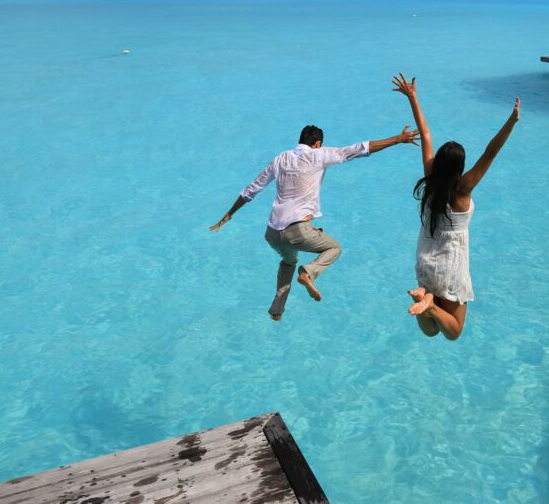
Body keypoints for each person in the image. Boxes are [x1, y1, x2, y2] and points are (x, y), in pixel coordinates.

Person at [210, 123, 419, 320]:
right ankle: (308, 273)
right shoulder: (320, 155)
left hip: (272, 234)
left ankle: (277, 309)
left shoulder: (280, 158)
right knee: (334, 248)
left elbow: (251, 190)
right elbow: (360, 149)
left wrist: (227, 216)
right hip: (298, 231)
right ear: (318, 143)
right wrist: (398, 139)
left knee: (288, 261)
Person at [391, 73, 520, 340]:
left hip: (426, 263)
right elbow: (490, 152)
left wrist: (412, 97)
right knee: (453, 332)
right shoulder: (463, 189)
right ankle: (429, 305)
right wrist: (511, 121)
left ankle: (427, 302)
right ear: (460, 168)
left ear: (438, 162)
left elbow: (425, 134)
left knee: (429, 332)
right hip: (450, 267)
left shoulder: (430, 182)